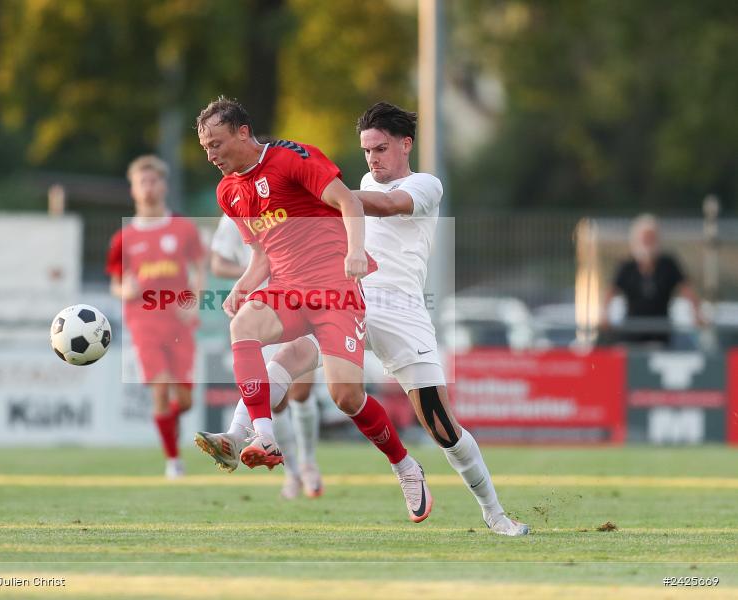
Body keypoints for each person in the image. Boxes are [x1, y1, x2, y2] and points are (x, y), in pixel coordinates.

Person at [198, 101, 528, 536]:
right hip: (345, 293)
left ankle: (494, 513)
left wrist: (316, 188)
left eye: (381, 147)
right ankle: (242, 436)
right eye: (367, 150)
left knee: (442, 426)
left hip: (401, 311)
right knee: (286, 359)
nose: (373, 157)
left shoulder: (426, 184)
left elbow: (387, 206)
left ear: (405, 144)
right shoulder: (350, 182)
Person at [195, 96, 433, 523]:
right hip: (288, 290)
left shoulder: (291, 158)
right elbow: (262, 256)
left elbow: (349, 202)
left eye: (216, 143)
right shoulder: (229, 192)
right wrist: (242, 287)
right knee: (243, 325)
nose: (210, 154)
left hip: (335, 292)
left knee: (347, 397)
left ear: (243, 133)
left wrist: (356, 252)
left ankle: (404, 465)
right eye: (205, 147)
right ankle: (260, 436)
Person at [208, 214, 323, 499]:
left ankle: (308, 461)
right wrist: (252, 271)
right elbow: (218, 263)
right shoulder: (233, 210)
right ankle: (292, 471)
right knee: (278, 402)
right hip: (258, 313)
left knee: (302, 392)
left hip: (297, 302)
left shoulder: (286, 200)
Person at [106, 156, 206, 479]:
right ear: (133, 190)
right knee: (160, 388)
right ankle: (173, 461)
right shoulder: (124, 237)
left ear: (163, 185)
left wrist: (193, 301)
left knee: (186, 400)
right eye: (142, 182)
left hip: (179, 321)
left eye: (153, 181)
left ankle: (172, 420)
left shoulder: (183, 228)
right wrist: (126, 289)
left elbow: (199, 269)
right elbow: (115, 284)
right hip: (144, 320)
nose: (148, 188)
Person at [601, 214, 704, 346]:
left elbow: (687, 290)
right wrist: (604, 315)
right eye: (645, 239)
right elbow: (610, 291)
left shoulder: (668, 264)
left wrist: (697, 313)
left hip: (659, 332)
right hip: (631, 331)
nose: (648, 243)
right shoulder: (627, 266)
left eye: (651, 238)